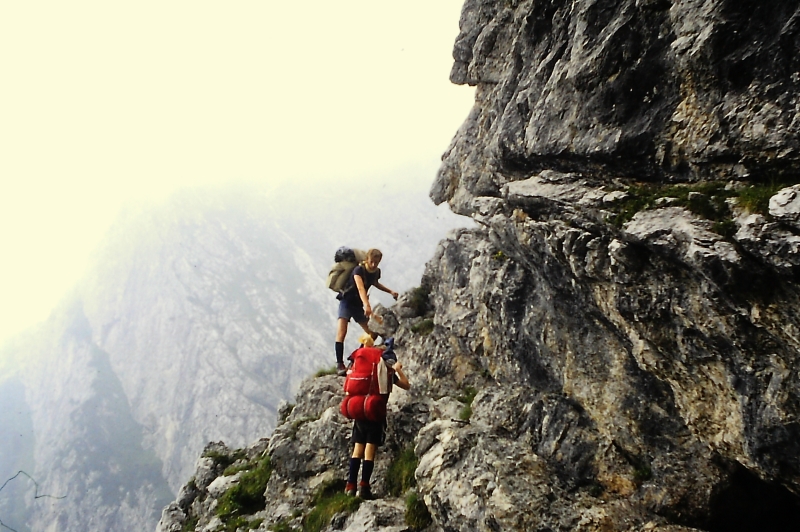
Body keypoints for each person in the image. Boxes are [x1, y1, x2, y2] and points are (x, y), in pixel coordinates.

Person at [344, 334, 410, 500]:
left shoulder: (363, 369)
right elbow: (406, 385)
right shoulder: (386, 372)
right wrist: (398, 369)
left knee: (358, 448)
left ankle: (350, 486)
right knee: (370, 450)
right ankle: (364, 487)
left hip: (359, 408)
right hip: (375, 412)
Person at [335, 248, 398, 376]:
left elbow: (375, 283)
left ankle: (356, 357)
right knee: (342, 332)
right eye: (371, 261)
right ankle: (339, 364)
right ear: (367, 259)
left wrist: (390, 291)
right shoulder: (358, 270)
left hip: (358, 305)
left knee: (372, 333)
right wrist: (367, 305)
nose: (373, 265)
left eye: (376, 262)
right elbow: (361, 288)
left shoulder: (375, 272)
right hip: (347, 302)